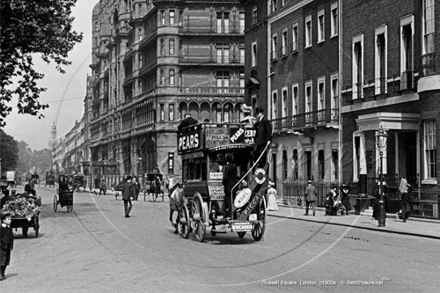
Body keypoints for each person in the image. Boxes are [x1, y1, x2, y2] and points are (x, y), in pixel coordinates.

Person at [222, 153, 237, 218]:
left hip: (228, 186)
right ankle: (235, 214)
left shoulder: (226, 167)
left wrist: (223, 183)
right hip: (234, 185)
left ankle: (230, 214)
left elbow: (225, 178)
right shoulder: (235, 166)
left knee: (228, 201)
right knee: (234, 200)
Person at [0, 212, 13, 281]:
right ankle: (1, 274)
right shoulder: (1, 229)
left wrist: (11, 245)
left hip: (7, 246)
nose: (10, 220)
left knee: (6, 260)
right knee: (2, 260)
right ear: (3, 220)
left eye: (10, 219)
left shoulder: (9, 228)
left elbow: (11, 237)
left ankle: (3, 273)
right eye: (8, 219)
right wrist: (2, 245)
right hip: (2, 247)